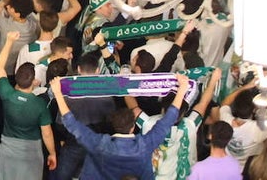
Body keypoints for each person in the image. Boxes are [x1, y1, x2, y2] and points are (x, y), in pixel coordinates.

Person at [51, 74, 191, 180]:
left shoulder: (99, 143)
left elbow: (72, 124)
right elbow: (168, 119)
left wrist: (58, 93)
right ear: (132, 127)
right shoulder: (145, 145)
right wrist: (182, 89)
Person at [0, 32, 56, 179]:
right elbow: (46, 133)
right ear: (34, 80)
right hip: (31, 152)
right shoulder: (40, 105)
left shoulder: (7, 94)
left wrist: (9, 41)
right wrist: (52, 153)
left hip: (7, 149)